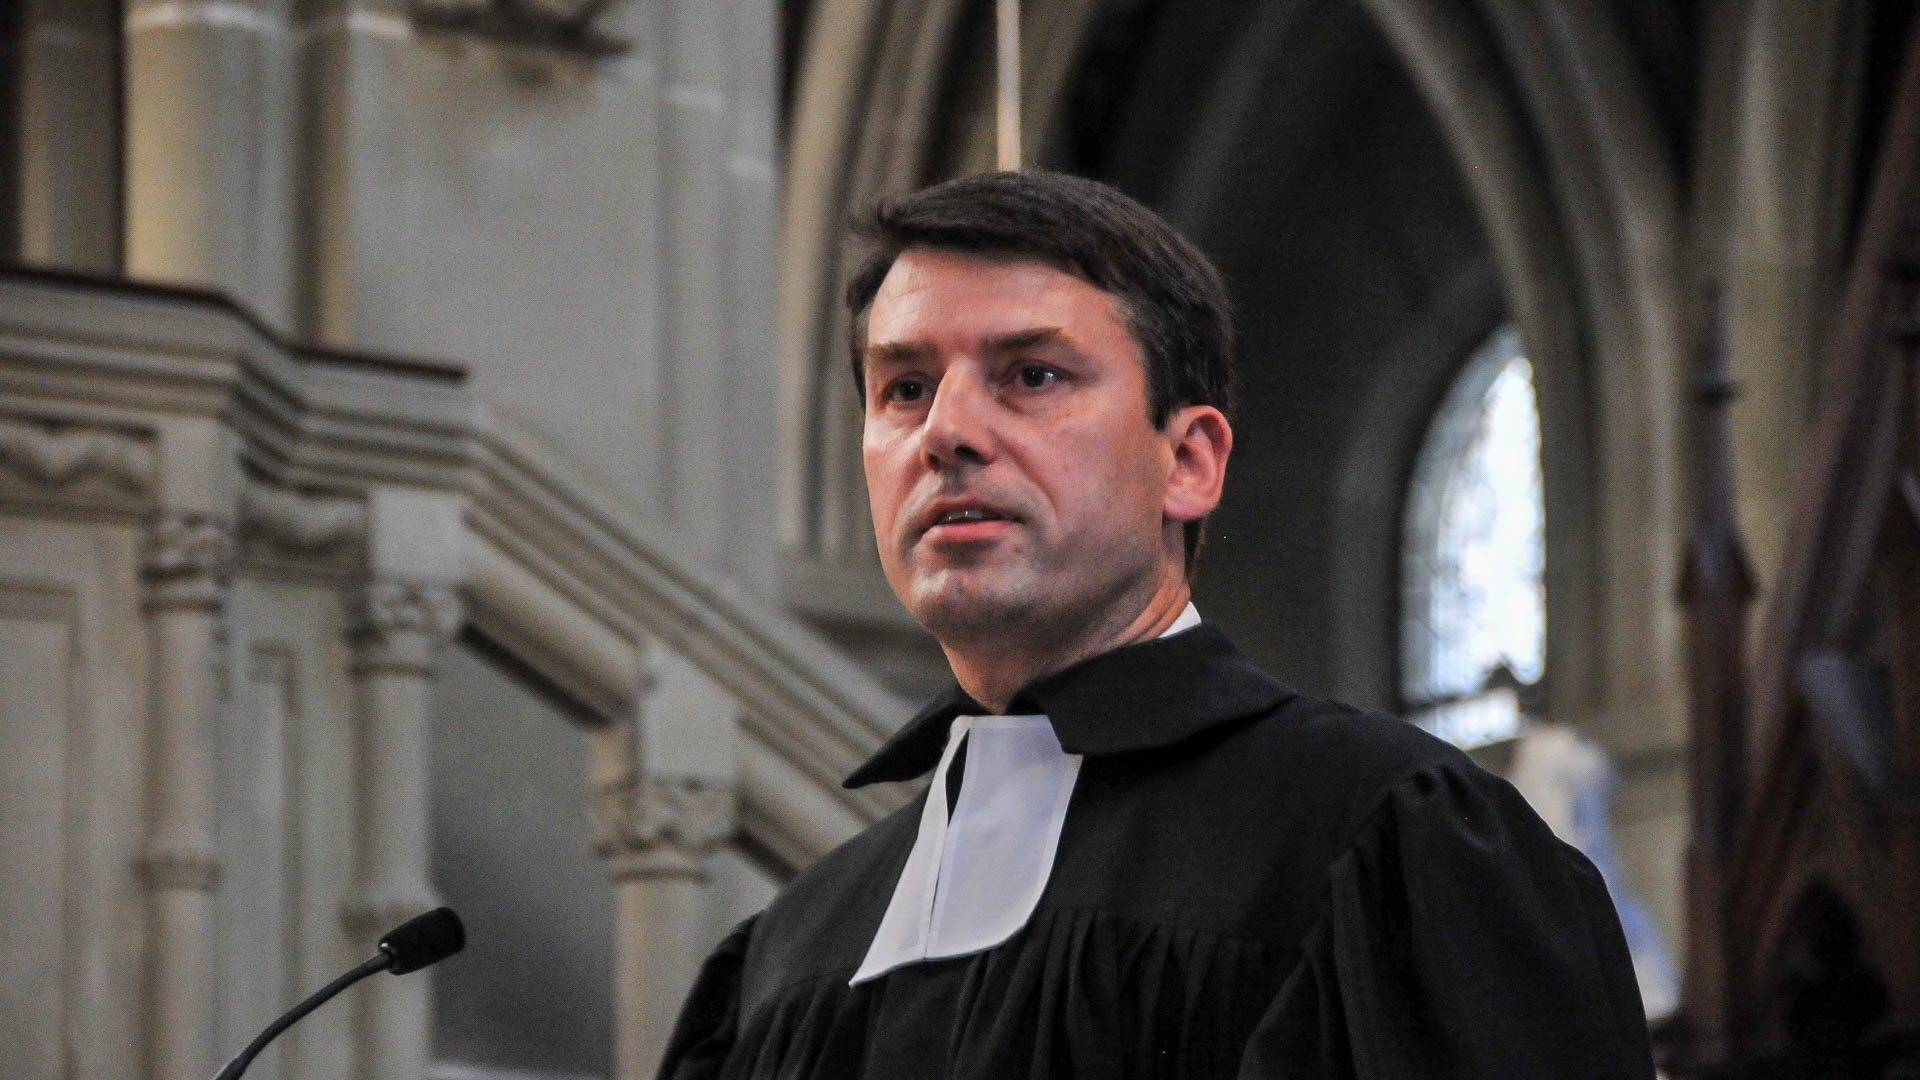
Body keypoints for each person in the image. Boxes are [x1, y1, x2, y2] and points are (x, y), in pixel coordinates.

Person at [658, 170, 1655, 1079]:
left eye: (1031, 375)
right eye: (904, 388)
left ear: (1190, 462)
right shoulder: (786, 951)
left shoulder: (1381, 839)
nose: (946, 433)